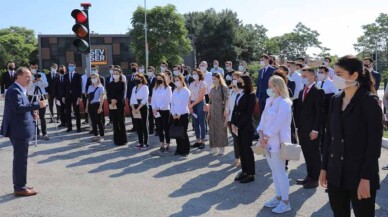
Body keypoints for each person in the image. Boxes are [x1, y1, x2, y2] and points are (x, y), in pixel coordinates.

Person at [319, 55, 382, 217]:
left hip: (360, 174)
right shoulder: (335, 100)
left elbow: (373, 145)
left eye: (339, 74)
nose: (335, 78)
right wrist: (324, 168)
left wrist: (366, 179)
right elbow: (329, 138)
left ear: (354, 75)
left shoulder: (369, 102)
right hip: (335, 173)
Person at [1, 67, 47, 196]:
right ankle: (20, 187)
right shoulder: (14, 90)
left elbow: (21, 108)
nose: (30, 79)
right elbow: (18, 108)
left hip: (19, 128)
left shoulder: (20, 90)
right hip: (18, 129)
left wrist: (32, 114)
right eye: (27, 76)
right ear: (18, 76)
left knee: (21, 159)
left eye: (30, 77)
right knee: (20, 159)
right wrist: (38, 105)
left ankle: (21, 184)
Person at [257, 75, 292, 214]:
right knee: (274, 172)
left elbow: (278, 123)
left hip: (277, 142)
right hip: (266, 141)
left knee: (280, 172)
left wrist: (266, 136)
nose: (269, 88)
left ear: (278, 86)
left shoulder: (285, 103)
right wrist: (260, 132)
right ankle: (278, 197)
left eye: (271, 85)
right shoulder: (269, 100)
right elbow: (263, 119)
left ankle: (285, 201)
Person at [295, 67, 324, 189]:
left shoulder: (318, 91)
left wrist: (316, 129)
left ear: (312, 77)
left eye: (304, 76)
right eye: (302, 75)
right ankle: (309, 176)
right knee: (307, 153)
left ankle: (315, 179)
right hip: (302, 128)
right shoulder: (302, 91)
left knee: (314, 154)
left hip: (312, 129)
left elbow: (320, 112)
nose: (302, 78)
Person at [232, 75, 256, 184]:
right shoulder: (240, 93)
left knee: (247, 150)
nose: (238, 83)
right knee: (241, 149)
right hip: (238, 126)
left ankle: (250, 174)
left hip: (245, 127)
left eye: (240, 81)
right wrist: (232, 122)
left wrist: (238, 125)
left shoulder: (251, 95)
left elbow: (248, 113)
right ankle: (244, 171)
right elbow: (235, 109)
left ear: (246, 83)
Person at [317, 66, 338, 153]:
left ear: (327, 73)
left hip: (327, 110)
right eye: (319, 72)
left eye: (322, 72)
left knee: (327, 129)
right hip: (319, 109)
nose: (320, 74)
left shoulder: (331, 83)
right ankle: (321, 147)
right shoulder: (318, 83)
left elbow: (336, 95)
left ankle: (328, 147)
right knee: (320, 129)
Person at [27, 62, 49, 140]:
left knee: (42, 116)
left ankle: (44, 133)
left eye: (35, 67)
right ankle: (36, 133)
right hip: (31, 96)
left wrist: (40, 80)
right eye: (32, 67)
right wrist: (33, 81)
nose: (34, 69)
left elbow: (46, 85)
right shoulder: (27, 75)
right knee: (33, 115)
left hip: (41, 95)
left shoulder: (42, 74)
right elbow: (27, 87)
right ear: (30, 68)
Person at [208, 73, 229, 155]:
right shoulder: (212, 89)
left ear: (219, 79)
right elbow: (210, 101)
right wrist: (209, 111)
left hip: (220, 109)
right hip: (213, 110)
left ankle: (221, 147)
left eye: (215, 79)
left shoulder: (223, 88)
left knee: (221, 128)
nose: (213, 80)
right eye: (212, 79)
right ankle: (214, 147)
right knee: (212, 129)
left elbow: (227, 99)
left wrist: (226, 109)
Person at [151, 73, 172, 152]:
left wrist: (159, 108)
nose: (159, 80)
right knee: (159, 128)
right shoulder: (155, 88)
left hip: (165, 110)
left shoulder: (168, 88)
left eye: (161, 78)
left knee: (166, 128)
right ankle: (161, 144)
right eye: (158, 78)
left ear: (164, 79)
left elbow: (168, 100)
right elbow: (153, 99)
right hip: (156, 111)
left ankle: (168, 144)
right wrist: (154, 108)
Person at [106, 67, 127, 146]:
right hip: (112, 105)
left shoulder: (122, 83)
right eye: (114, 74)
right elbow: (108, 94)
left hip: (119, 104)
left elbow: (122, 94)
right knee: (114, 122)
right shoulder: (109, 84)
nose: (115, 75)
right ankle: (116, 139)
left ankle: (123, 140)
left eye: (117, 74)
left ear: (120, 74)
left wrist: (116, 100)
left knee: (121, 122)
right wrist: (111, 100)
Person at [171, 74, 191, 157]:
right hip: (175, 114)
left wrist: (179, 114)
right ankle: (178, 149)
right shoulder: (175, 90)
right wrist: (173, 113)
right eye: (175, 80)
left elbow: (184, 103)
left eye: (178, 80)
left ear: (182, 81)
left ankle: (185, 150)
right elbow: (172, 103)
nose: (176, 82)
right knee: (177, 133)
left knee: (183, 132)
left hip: (183, 114)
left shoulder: (186, 91)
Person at [189, 69, 207, 149]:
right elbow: (189, 95)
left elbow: (201, 97)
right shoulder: (191, 84)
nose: (194, 75)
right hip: (192, 103)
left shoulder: (203, 83)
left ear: (199, 74)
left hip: (200, 103)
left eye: (195, 73)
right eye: (193, 73)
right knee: (195, 123)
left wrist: (192, 104)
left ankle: (202, 141)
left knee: (201, 122)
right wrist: (189, 105)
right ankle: (197, 140)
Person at [130, 73, 149, 149]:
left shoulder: (145, 87)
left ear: (141, 79)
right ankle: (140, 142)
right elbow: (132, 99)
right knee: (138, 126)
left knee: (144, 125)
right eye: (135, 78)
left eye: (138, 78)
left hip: (142, 107)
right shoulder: (134, 88)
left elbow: (145, 99)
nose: (136, 79)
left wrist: (138, 108)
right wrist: (133, 108)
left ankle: (145, 143)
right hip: (135, 107)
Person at [85, 72, 105, 142]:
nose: (93, 79)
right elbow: (88, 98)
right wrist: (87, 107)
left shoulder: (101, 87)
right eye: (92, 78)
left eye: (95, 77)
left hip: (97, 104)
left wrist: (100, 107)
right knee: (93, 121)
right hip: (91, 105)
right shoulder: (89, 87)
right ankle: (95, 135)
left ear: (98, 78)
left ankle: (102, 136)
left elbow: (102, 98)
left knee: (99, 121)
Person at [228, 71, 242, 166]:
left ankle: (243, 158)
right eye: (233, 78)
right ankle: (237, 158)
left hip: (240, 119)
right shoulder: (231, 91)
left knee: (241, 139)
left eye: (236, 78)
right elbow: (228, 106)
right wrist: (227, 119)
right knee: (235, 140)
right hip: (231, 119)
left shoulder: (243, 92)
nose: (234, 80)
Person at [64, 61, 82, 133]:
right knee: (68, 112)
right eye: (69, 66)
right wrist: (63, 96)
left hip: (75, 96)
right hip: (67, 96)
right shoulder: (65, 75)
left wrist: (79, 97)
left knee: (77, 112)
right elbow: (64, 87)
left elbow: (79, 86)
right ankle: (69, 127)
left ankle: (78, 127)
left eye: (72, 66)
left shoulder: (78, 75)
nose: (70, 67)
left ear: (74, 67)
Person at [127, 62, 140, 132]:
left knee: (138, 112)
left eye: (134, 66)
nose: (133, 68)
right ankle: (134, 126)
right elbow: (128, 87)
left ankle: (139, 127)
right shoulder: (129, 76)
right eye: (132, 67)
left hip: (138, 97)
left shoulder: (140, 76)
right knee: (132, 112)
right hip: (131, 97)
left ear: (137, 67)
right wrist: (127, 96)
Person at [147, 66, 157, 135]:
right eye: (148, 71)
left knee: (156, 115)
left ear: (153, 71)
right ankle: (151, 129)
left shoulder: (156, 79)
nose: (149, 72)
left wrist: (152, 96)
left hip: (155, 99)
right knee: (150, 115)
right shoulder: (146, 79)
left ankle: (157, 129)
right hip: (148, 99)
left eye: (150, 70)